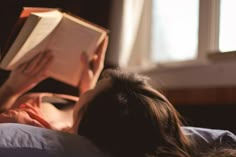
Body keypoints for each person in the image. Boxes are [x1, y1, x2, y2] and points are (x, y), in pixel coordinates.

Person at [0, 35, 194, 156]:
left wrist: (10, 89)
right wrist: (87, 89)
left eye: (94, 89)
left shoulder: (26, 122)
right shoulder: (104, 125)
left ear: (90, 117)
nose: (91, 87)